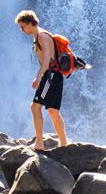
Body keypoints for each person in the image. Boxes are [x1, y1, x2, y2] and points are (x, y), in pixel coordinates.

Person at [16, 10, 69, 150]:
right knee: (53, 110)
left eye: (23, 26)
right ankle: (64, 145)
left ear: (30, 23)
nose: (22, 30)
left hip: (50, 76)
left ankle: (39, 143)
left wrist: (39, 77)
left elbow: (47, 58)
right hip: (54, 75)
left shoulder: (42, 36)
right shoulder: (40, 36)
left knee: (35, 107)